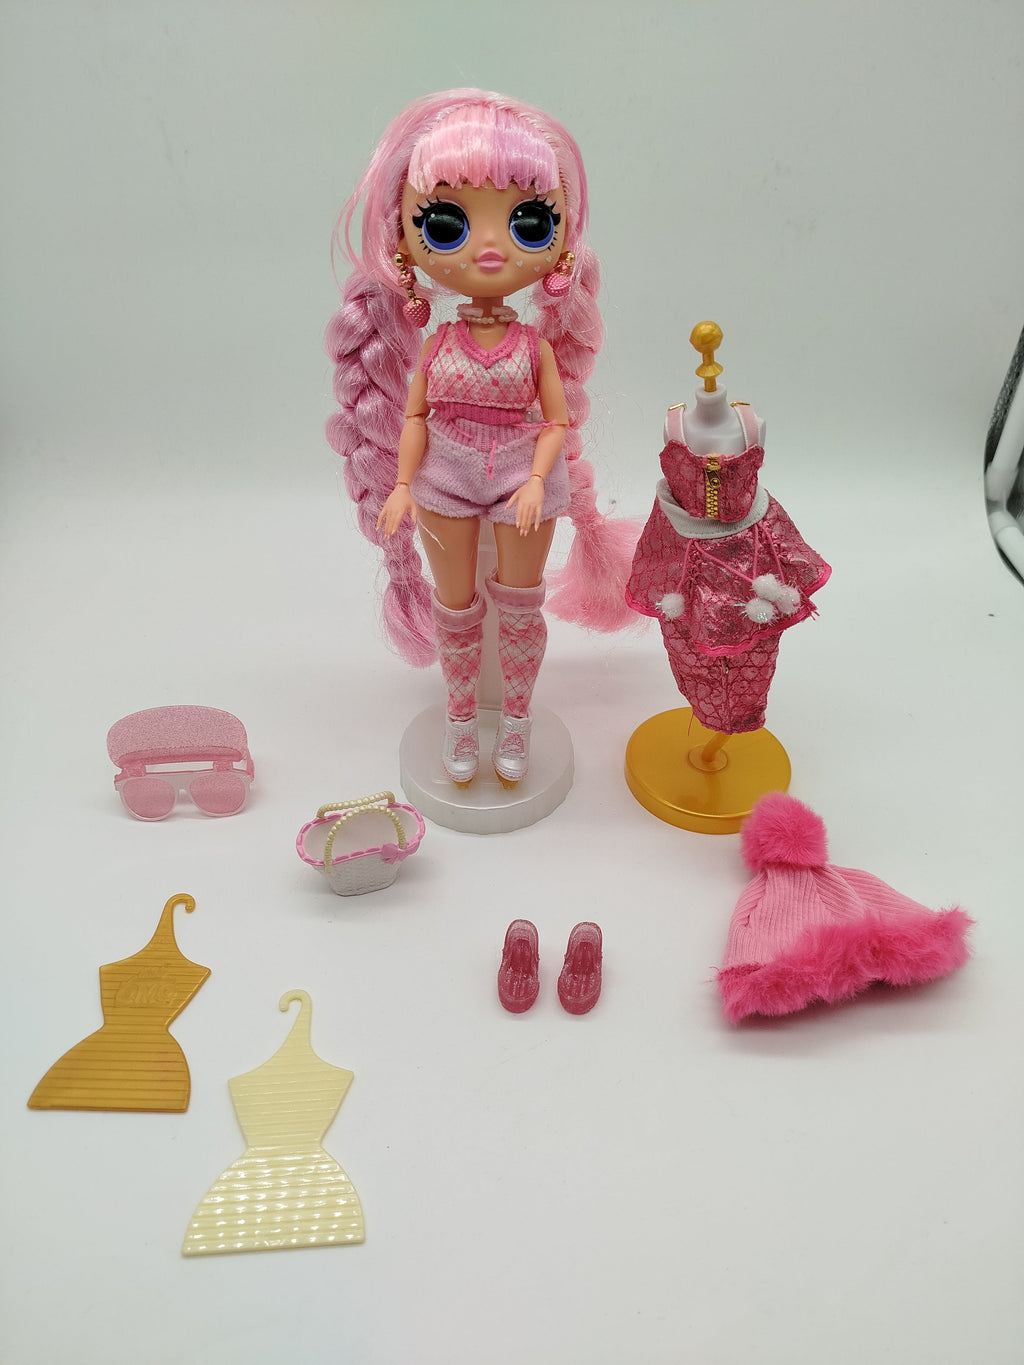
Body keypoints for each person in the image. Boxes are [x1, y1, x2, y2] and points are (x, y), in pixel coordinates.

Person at [326, 90, 635, 787]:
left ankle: (516, 720)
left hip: (522, 467)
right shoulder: (438, 347)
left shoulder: (533, 347)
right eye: (447, 224)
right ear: (404, 242)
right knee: (456, 606)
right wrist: (401, 485)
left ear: (561, 240)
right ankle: (462, 717)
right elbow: (414, 419)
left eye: (528, 221)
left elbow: (555, 421)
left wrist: (537, 479)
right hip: (446, 471)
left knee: (521, 606)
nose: (491, 248)